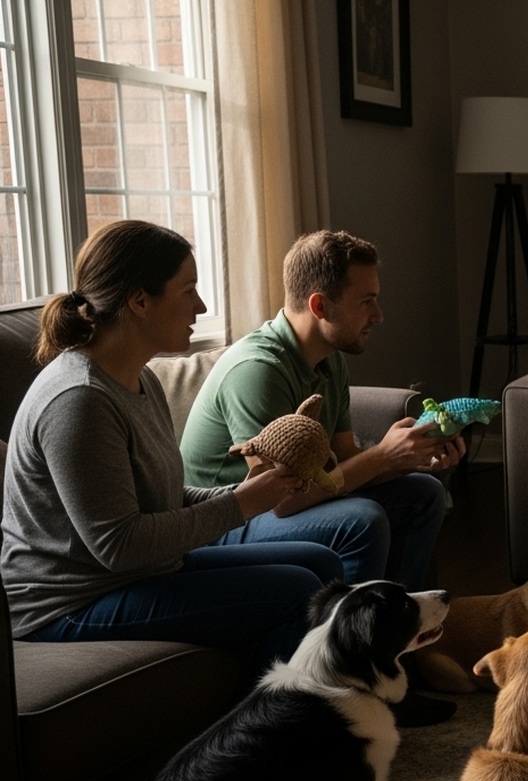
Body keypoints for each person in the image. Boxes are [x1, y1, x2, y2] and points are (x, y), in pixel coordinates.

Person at [2, 220, 342, 672]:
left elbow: (162, 500)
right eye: (188, 290)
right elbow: (118, 544)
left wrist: (257, 491)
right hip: (68, 604)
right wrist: (241, 504)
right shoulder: (79, 400)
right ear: (139, 301)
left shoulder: (141, 378)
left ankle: (347, 695)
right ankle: (280, 729)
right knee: (295, 590)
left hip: (133, 574)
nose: (201, 305)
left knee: (320, 563)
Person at [180, 229, 464, 724]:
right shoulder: (258, 369)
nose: (379, 315)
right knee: (361, 520)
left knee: (421, 492)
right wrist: (379, 461)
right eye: (368, 301)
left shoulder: (327, 362)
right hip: (226, 520)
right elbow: (279, 499)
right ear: (320, 305)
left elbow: (342, 460)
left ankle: (398, 663)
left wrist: (407, 457)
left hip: (273, 508)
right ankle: (348, 686)